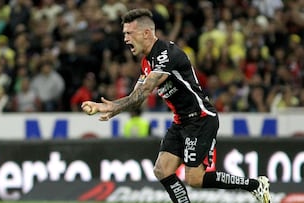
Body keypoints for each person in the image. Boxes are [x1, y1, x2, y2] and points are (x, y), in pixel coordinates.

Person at [81, 8, 271, 203]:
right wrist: (110, 108)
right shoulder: (147, 62)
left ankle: (255, 185)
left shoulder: (166, 55)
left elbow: (145, 91)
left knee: (194, 179)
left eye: (129, 33)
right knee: (162, 170)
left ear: (146, 33)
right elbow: (136, 97)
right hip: (181, 121)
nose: (126, 39)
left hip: (200, 118)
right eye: (124, 34)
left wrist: (112, 107)